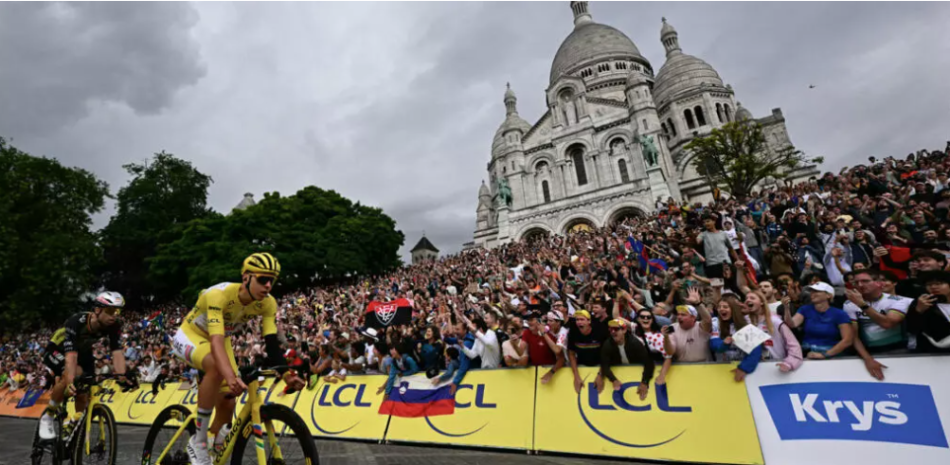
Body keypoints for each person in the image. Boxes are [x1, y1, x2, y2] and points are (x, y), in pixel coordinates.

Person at [170, 253, 304, 465]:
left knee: (228, 403)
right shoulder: (218, 295)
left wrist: (286, 374)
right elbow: (214, 342)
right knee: (215, 366)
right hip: (192, 335)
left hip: (220, 339)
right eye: (262, 279)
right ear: (246, 278)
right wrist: (231, 377)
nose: (268, 285)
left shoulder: (268, 303)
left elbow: (271, 342)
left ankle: (211, 448)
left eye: (272, 280)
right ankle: (199, 440)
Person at [38, 291, 132, 440]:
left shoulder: (114, 325)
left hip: (84, 352)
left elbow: (117, 352)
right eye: (110, 311)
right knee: (73, 374)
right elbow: (71, 357)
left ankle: (72, 425)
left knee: (84, 389)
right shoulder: (76, 322)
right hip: (58, 349)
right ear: (97, 310)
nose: (114, 315)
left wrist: (122, 376)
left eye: (117, 311)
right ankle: (48, 415)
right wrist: (69, 381)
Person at [843, 270, 912, 380]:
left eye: (865, 281)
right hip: (869, 351)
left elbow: (887, 323)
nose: (860, 285)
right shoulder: (849, 304)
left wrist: (862, 305)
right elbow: (853, 336)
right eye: (856, 282)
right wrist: (867, 359)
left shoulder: (899, 301)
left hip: (898, 350)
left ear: (879, 283)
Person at [783, 282, 854, 359]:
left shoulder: (839, 314)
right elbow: (791, 324)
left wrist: (824, 355)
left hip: (831, 353)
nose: (812, 294)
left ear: (828, 295)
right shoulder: (805, 309)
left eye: (817, 291)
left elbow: (847, 340)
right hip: (807, 351)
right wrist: (786, 308)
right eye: (811, 291)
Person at [600, 319, 655, 397]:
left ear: (624, 330)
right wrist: (613, 380)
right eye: (611, 329)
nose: (613, 332)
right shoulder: (607, 345)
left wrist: (645, 382)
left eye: (616, 329)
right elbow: (604, 365)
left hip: (638, 373)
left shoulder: (635, 343)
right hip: (621, 374)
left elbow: (649, 363)